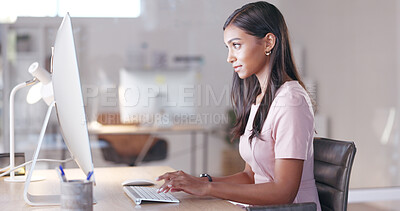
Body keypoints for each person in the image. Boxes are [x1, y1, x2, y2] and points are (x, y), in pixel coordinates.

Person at [156, 1, 321, 209]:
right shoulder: (260, 99)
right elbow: (249, 176)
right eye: (228, 47)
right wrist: (200, 182)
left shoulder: (292, 101)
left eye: (236, 45)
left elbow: (284, 192)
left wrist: (208, 189)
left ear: (269, 42)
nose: (229, 57)